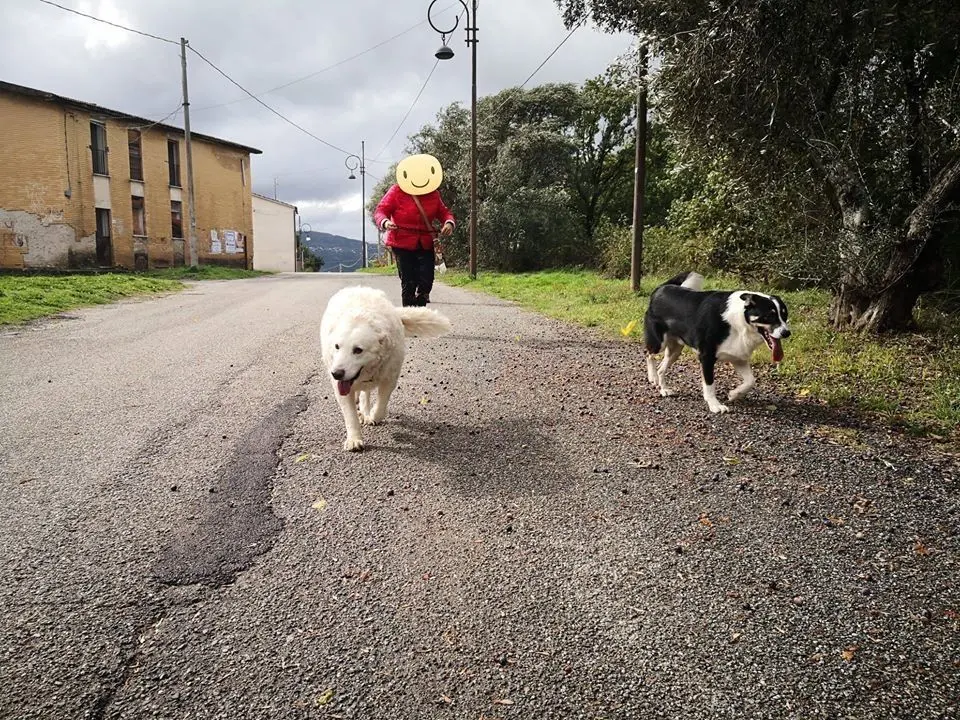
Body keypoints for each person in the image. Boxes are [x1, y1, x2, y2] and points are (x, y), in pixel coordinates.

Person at [374, 153, 455, 307]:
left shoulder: (433, 193)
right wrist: (385, 222)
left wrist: (449, 223)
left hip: (425, 243)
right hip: (401, 243)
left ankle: (420, 309)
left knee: (426, 281)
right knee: (408, 281)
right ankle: (411, 322)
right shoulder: (396, 191)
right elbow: (381, 210)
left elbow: (445, 212)